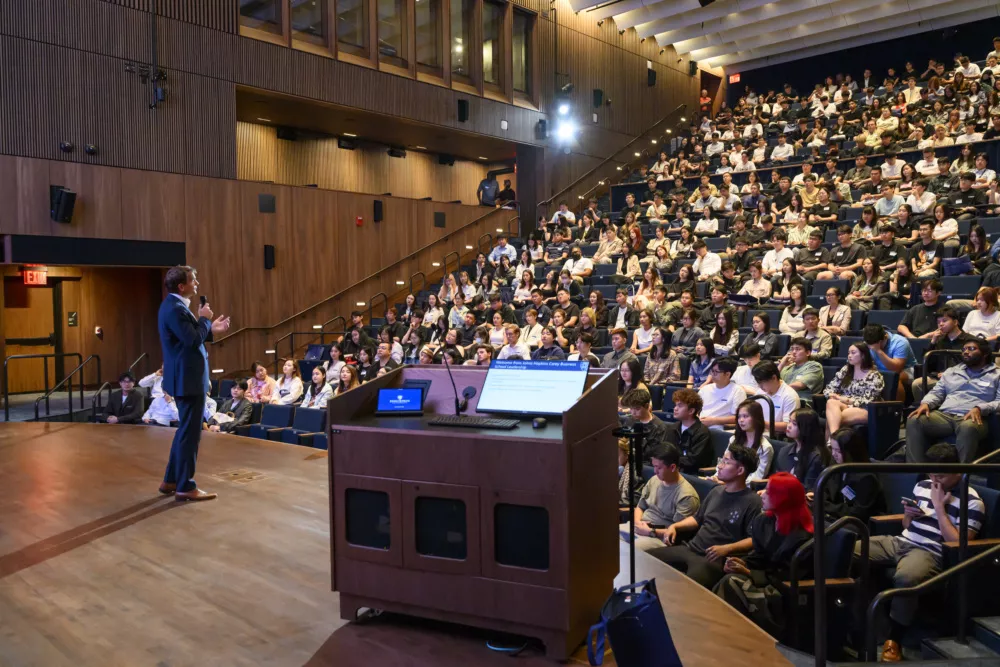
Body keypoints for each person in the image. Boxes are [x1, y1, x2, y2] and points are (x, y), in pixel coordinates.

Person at [866, 443, 985, 663]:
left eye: (939, 475)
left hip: (929, 552)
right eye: (930, 473)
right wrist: (909, 514)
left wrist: (940, 508)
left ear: (957, 470)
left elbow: (958, 544)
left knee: (906, 578)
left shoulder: (973, 501)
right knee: (849, 549)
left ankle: (894, 640)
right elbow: (906, 524)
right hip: (900, 541)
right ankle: (862, 625)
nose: (934, 480)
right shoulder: (923, 484)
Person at [157, 266, 229, 501]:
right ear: (182, 286)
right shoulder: (176, 309)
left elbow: (188, 334)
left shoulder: (172, 306)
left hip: (183, 379)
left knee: (184, 431)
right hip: (188, 380)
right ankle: (185, 485)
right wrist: (205, 319)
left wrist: (210, 328)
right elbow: (191, 339)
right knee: (190, 434)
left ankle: (171, 479)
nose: (197, 283)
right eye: (193, 280)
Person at [648, 445, 763, 589]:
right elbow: (697, 519)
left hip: (713, 558)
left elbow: (754, 539)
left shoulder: (752, 502)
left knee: (687, 588)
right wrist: (675, 526)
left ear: (740, 470)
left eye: (726, 462)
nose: (719, 466)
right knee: (646, 560)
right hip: (691, 548)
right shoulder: (716, 491)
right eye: (721, 460)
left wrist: (726, 548)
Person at [713, 472, 814, 637]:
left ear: (783, 498)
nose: (762, 494)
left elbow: (786, 577)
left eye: (769, 492)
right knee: (728, 577)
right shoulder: (764, 522)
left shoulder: (803, 538)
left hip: (783, 592)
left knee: (732, 583)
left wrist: (748, 572)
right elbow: (759, 557)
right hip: (764, 580)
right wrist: (740, 563)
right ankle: (725, 632)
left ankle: (724, 632)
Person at [906, 338, 1000, 462]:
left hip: (974, 417)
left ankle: (961, 474)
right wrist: (926, 403)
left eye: (971, 349)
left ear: (985, 353)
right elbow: (937, 392)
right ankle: (915, 472)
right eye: (964, 349)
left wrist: (980, 408)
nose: (966, 352)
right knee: (915, 420)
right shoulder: (952, 371)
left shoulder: (996, 375)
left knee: (968, 427)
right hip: (944, 415)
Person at [621, 442, 701, 552]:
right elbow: (640, 507)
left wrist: (649, 531)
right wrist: (638, 523)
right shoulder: (655, 480)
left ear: (672, 467)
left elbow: (675, 533)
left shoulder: (686, 496)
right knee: (608, 540)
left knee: (627, 551)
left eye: (658, 467)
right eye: (654, 466)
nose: (655, 471)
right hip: (640, 527)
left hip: (658, 537)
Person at [824, 428, 885, 524]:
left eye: (838, 451)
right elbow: (825, 492)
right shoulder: (835, 467)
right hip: (836, 518)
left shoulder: (867, 478)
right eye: (832, 449)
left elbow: (858, 513)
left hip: (858, 525)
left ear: (850, 452)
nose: (833, 454)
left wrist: (827, 506)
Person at [823, 342, 885, 433]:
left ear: (863, 355)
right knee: (831, 402)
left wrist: (845, 400)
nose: (849, 356)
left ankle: (831, 443)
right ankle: (834, 439)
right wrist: (832, 394)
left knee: (832, 419)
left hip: (864, 409)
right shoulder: (846, 370)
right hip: (844, 405)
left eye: (853, 353)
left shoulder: (874, 375)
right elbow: (829, 388)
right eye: (848, 353)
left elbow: (869, 400)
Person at [774, 407, 831, 493]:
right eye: (789, 421)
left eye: (794, 424)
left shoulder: (817, 456)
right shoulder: (784, 450)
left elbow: (809, 488)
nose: (788, 426)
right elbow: (777, 478)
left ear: (806, 427)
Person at [863, 323, 917, 401]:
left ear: (885, 337)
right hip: (880, 370)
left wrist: (878, 351)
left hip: (905, 370)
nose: (872, 348)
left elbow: (896, 370)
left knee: (894, 378)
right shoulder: (869, 341)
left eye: (876, 345)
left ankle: (897, 409)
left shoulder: (900, 342)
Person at [665, 388, 713, 474]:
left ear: (691, 411)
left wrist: (669, 460)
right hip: (671, 469)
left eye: (680, 406)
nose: (675, 409)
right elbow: (664, 449)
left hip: (690, 474)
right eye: (675, 405)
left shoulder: (702, 433)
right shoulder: (672, 428)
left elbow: (692, 460)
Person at [750, 360, 801, 433]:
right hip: (756, 431)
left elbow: (788, 425)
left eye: (762, 382)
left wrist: (761, 423)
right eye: (758, 383)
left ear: (774, 378)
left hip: (774, 435)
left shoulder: (790, 396)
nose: (760, 386)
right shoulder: (760, 392)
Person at [621, 388, 670, 463]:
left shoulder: (659, 427)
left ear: (647, 406)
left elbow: (654, 455)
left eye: (637, 409)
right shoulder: (630, 420)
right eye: (631, 408)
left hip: (644, 464)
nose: (633, 412)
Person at [699, 357, 747, 429]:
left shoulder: (738, 391)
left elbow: (739, 417)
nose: (712, 374)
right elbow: (693, 409)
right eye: (712, 371)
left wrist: (714, 421)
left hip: (720, 427)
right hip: (700, 425)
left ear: (727, 374)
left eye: (716, 372)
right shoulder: (705, 389)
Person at [778, 338, 824, 402]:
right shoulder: (787, 367)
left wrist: (777, 389)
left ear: (808, 353)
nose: (793, 352)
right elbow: (772, 380)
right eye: (792, 349)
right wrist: (781, 365)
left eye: (797, 349)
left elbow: (799, 385)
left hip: (801, 402)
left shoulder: (814, 366)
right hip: (782, 399)